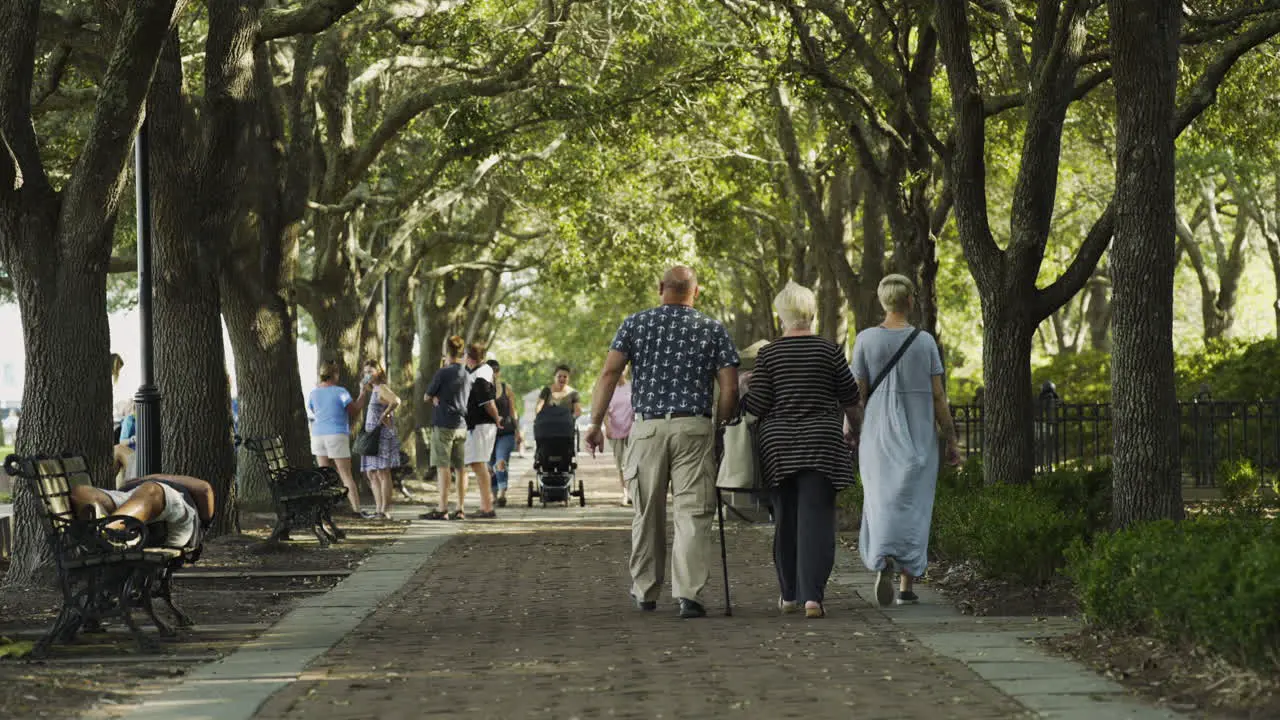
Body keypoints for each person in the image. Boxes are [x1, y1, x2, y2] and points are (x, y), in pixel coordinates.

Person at [585, 265, 739, 619]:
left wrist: (595, 422)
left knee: (646, 511)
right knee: (693, 513)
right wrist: (721, 425)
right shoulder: (712, 328)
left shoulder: (635, 324)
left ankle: (646, 590)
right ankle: (690, 595)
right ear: (695, 293)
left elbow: (610, 373)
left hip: (648, 429)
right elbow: (729, 387)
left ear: (660, 288)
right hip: (694, 427)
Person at [743, 282, 859, 619]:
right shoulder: (829, 351)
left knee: (785, 519)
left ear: (782, 316)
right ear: (811, 314)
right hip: (821, 442)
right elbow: (850, 398)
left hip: (778, 446)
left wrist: (744, 387)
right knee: (817, 519)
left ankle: (789, 594)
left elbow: (759, 405)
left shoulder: (770, 354)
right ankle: (813, 598)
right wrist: (856, 432)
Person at [852, 274, 962, 607]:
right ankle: (906, 585)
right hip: (918, 434)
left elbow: (856, 394)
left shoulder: (866, 340)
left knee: (879, 499)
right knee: (914, 504)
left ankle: (882, 555)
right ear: (910, 301)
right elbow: (938, 396)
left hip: (877, 434)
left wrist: (850, 428)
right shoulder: (925, 342)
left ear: (883, 302)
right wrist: (952, 438)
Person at [70, 474, 215, 550]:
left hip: (175, 520)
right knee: (81, 492)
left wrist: (156, 477)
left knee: (152, 489)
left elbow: (204, 489)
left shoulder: (158, 486)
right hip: (132, 500)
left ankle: (107, 532)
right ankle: (112, 533)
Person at [308, 360, 368, 516]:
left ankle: (325, 510)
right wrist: (363, 393)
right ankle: (356, 510)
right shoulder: (340, 391)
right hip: (336, 435)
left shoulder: (314, 392)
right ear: (335, 374)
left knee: (324, 474)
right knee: (346, 475)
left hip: (318, 435)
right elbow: (354, 410)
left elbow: (314, 410)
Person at [422, 336, 472, 520]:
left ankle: (442, 508)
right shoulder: (466, 374)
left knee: (443, 467)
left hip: (443, 424)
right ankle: (460, 508)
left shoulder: (442, 373)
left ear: (446, 350)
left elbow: (427, 396)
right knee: (460, 468)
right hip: (461, 425)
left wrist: (434, 398)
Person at [358, 360, 401, 520]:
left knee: (383, 472)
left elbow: (396, 401)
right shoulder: (373, 390)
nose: (368, 374)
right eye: (366, 371)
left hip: (381, 435)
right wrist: (362, 390)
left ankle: (384, 510)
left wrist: (385, 414)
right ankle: (378, 508)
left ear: (379, 372)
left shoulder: (382, 388)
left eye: (371, 371)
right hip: (371, 436)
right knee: (371, 472)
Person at [462, 343, 501, 519]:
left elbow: (487, 402)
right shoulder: (476, 371)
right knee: (477, 464)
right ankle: (486, 504)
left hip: (482, 425)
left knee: (478, 463)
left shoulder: (482, 373)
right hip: (476, 425)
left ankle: (487, 507)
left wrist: (497, 417)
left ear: (469, 357)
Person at [487, 359, 521, 508]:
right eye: (490, 370)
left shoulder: (507, 388)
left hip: (506, 432)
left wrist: (518, 431)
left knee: (501, 462)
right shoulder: (481, 389)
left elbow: (513, 411)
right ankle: (493, 496)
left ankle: (502, 493)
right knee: (489, 466)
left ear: (499, 372)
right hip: (487, 432)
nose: (493, 373)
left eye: (495, 370)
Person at [603, 368, 633, 506]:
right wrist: (607, 427)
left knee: (632, 462)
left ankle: (633, 491)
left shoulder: (632, 386)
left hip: (632, 429)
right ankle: (625, 492)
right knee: (621, 463)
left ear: (626, 370)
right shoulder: (609, 387)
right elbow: (604, 411)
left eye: (623, 368)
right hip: (615, 431)